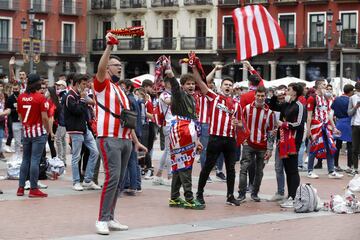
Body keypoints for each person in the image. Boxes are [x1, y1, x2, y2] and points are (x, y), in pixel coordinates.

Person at [93, 32, 147, 235]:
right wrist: (109, 48)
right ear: (108, 68)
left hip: (124, 139)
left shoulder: (119, 90)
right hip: (109, 137)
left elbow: (127, 120)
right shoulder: (102, 85)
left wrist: (136, 142)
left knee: (120, 179)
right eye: (116, 65)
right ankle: (101, 219)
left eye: (119, 65)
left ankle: (110, 216)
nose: (119, 67)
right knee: (112, 178)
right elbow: (99, 68)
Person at [192, 56, 242, 207]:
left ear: (232, 88)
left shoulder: (236, 104)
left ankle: (230, 196)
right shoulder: (214, 97)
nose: (228, 87)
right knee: (208, 166)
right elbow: (200, 83)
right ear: (221, 87)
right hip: (216, 137)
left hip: (230, 139)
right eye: (225, 84)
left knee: (231, 169)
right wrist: (194, 67)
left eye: (230, 85)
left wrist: (237, 124)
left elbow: (240, 123)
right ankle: (199, 194)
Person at [16, 73, 51, 198]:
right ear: (37, 83)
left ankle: (20, 187)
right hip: (38, 132)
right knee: (35, 160)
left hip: (26, 132)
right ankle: (34, 188)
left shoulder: (20, 97)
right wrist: (49, 131)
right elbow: (45, 118)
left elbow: (20, 116)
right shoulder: (40, 98)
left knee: (25, 160)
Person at [238, 86, 275, 202]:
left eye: (262, 96)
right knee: (243, 169)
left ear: (265, 96)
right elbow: (241, 125)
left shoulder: (270, 113)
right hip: (248, 144)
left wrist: (269, 149)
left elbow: (271, 132)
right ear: (254, 96)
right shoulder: (247, 109)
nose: (260, 98)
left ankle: (254, 193)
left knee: (259, 172)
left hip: (262, 147)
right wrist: (242, 140)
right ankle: (242, 194)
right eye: (258, 95)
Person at [271, 83, 306, 208]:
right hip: (283, 140)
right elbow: (273, 106)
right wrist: (275, 96)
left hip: (293, 142)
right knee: (287, 169)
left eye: (289, 89)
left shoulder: (300, 105)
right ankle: (290, 195)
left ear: (295, 92)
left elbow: (299, 124)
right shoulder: (287, 104)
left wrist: (284, 124)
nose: (286, 91)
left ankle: (294, 196)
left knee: (293, 170)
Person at [64, 74, 100, 191]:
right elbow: (77, 110)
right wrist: (84, 100)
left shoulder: (80, 95)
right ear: (77, 83)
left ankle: (88, 180)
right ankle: (76, 181)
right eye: (83, 84)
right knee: (76, 157)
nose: (86, 86)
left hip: (84, 128)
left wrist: (87, 98)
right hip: (75, 129)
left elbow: (94, 103)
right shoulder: (70, 96)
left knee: (95, 151)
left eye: (86, 83)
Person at [306, 79, 343, 179]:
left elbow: (329, 115)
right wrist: (308, 130)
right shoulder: (312, 98)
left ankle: (331, 171)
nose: (325, 87)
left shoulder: (326, 99)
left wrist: (334, 127)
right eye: (323, 85)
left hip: (326, 127)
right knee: (313, 148)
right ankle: (309, 171)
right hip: (316, 127)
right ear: (318, 86)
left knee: (330, 147)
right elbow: (309, 116)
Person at [331, 84, 354, 173]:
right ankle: (349, 166)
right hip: (348, 122)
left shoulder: (336, 99)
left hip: (339, 123)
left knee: (337, 144)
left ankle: (335, 164)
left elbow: (332, 110)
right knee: (350, 145)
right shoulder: (351, 100)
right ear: (351, 91)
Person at [347, 81, 360, 176]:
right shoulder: (352, 98)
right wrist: (356, 107)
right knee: (354, 148)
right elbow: (349, 113)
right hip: (355, 125)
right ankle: (355, 168)